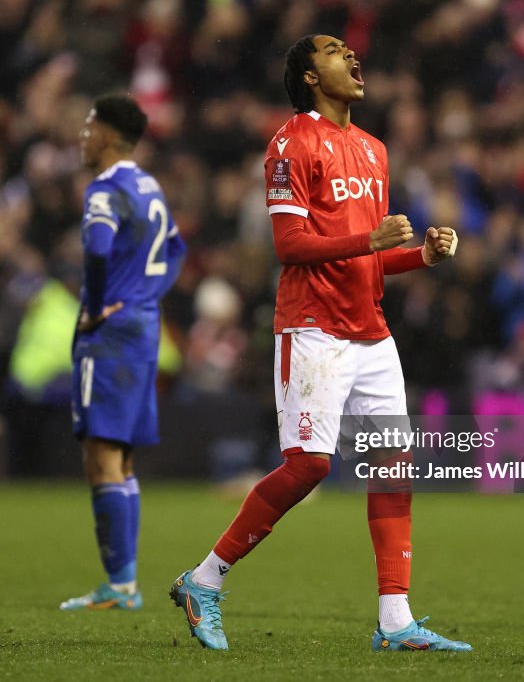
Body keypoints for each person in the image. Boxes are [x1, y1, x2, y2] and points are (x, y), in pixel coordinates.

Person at [169, 34, 471, 652]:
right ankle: (205, 580)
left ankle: (395, 620)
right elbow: (291, 248)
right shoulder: (290, 143)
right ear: (309, 76)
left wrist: (422, 256)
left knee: (393, 466)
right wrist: (372, 242)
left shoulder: (374, 150)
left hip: (371, 330)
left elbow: (371, 261)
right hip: (313, 328)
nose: (352, 56)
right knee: (309, 465)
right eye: (334, 51)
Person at [60, 94, 186, 611]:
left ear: (109, 136)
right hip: (143, 324)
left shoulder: (105, 190)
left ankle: (120, 585)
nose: (82, 136)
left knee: (101, 455)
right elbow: (176, 249)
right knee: (124, 456)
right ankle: (125, 581)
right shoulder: (149, 185)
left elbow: (95, 247)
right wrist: (147, 296)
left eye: (89, 126)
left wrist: (95, 303)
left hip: (110, 331)